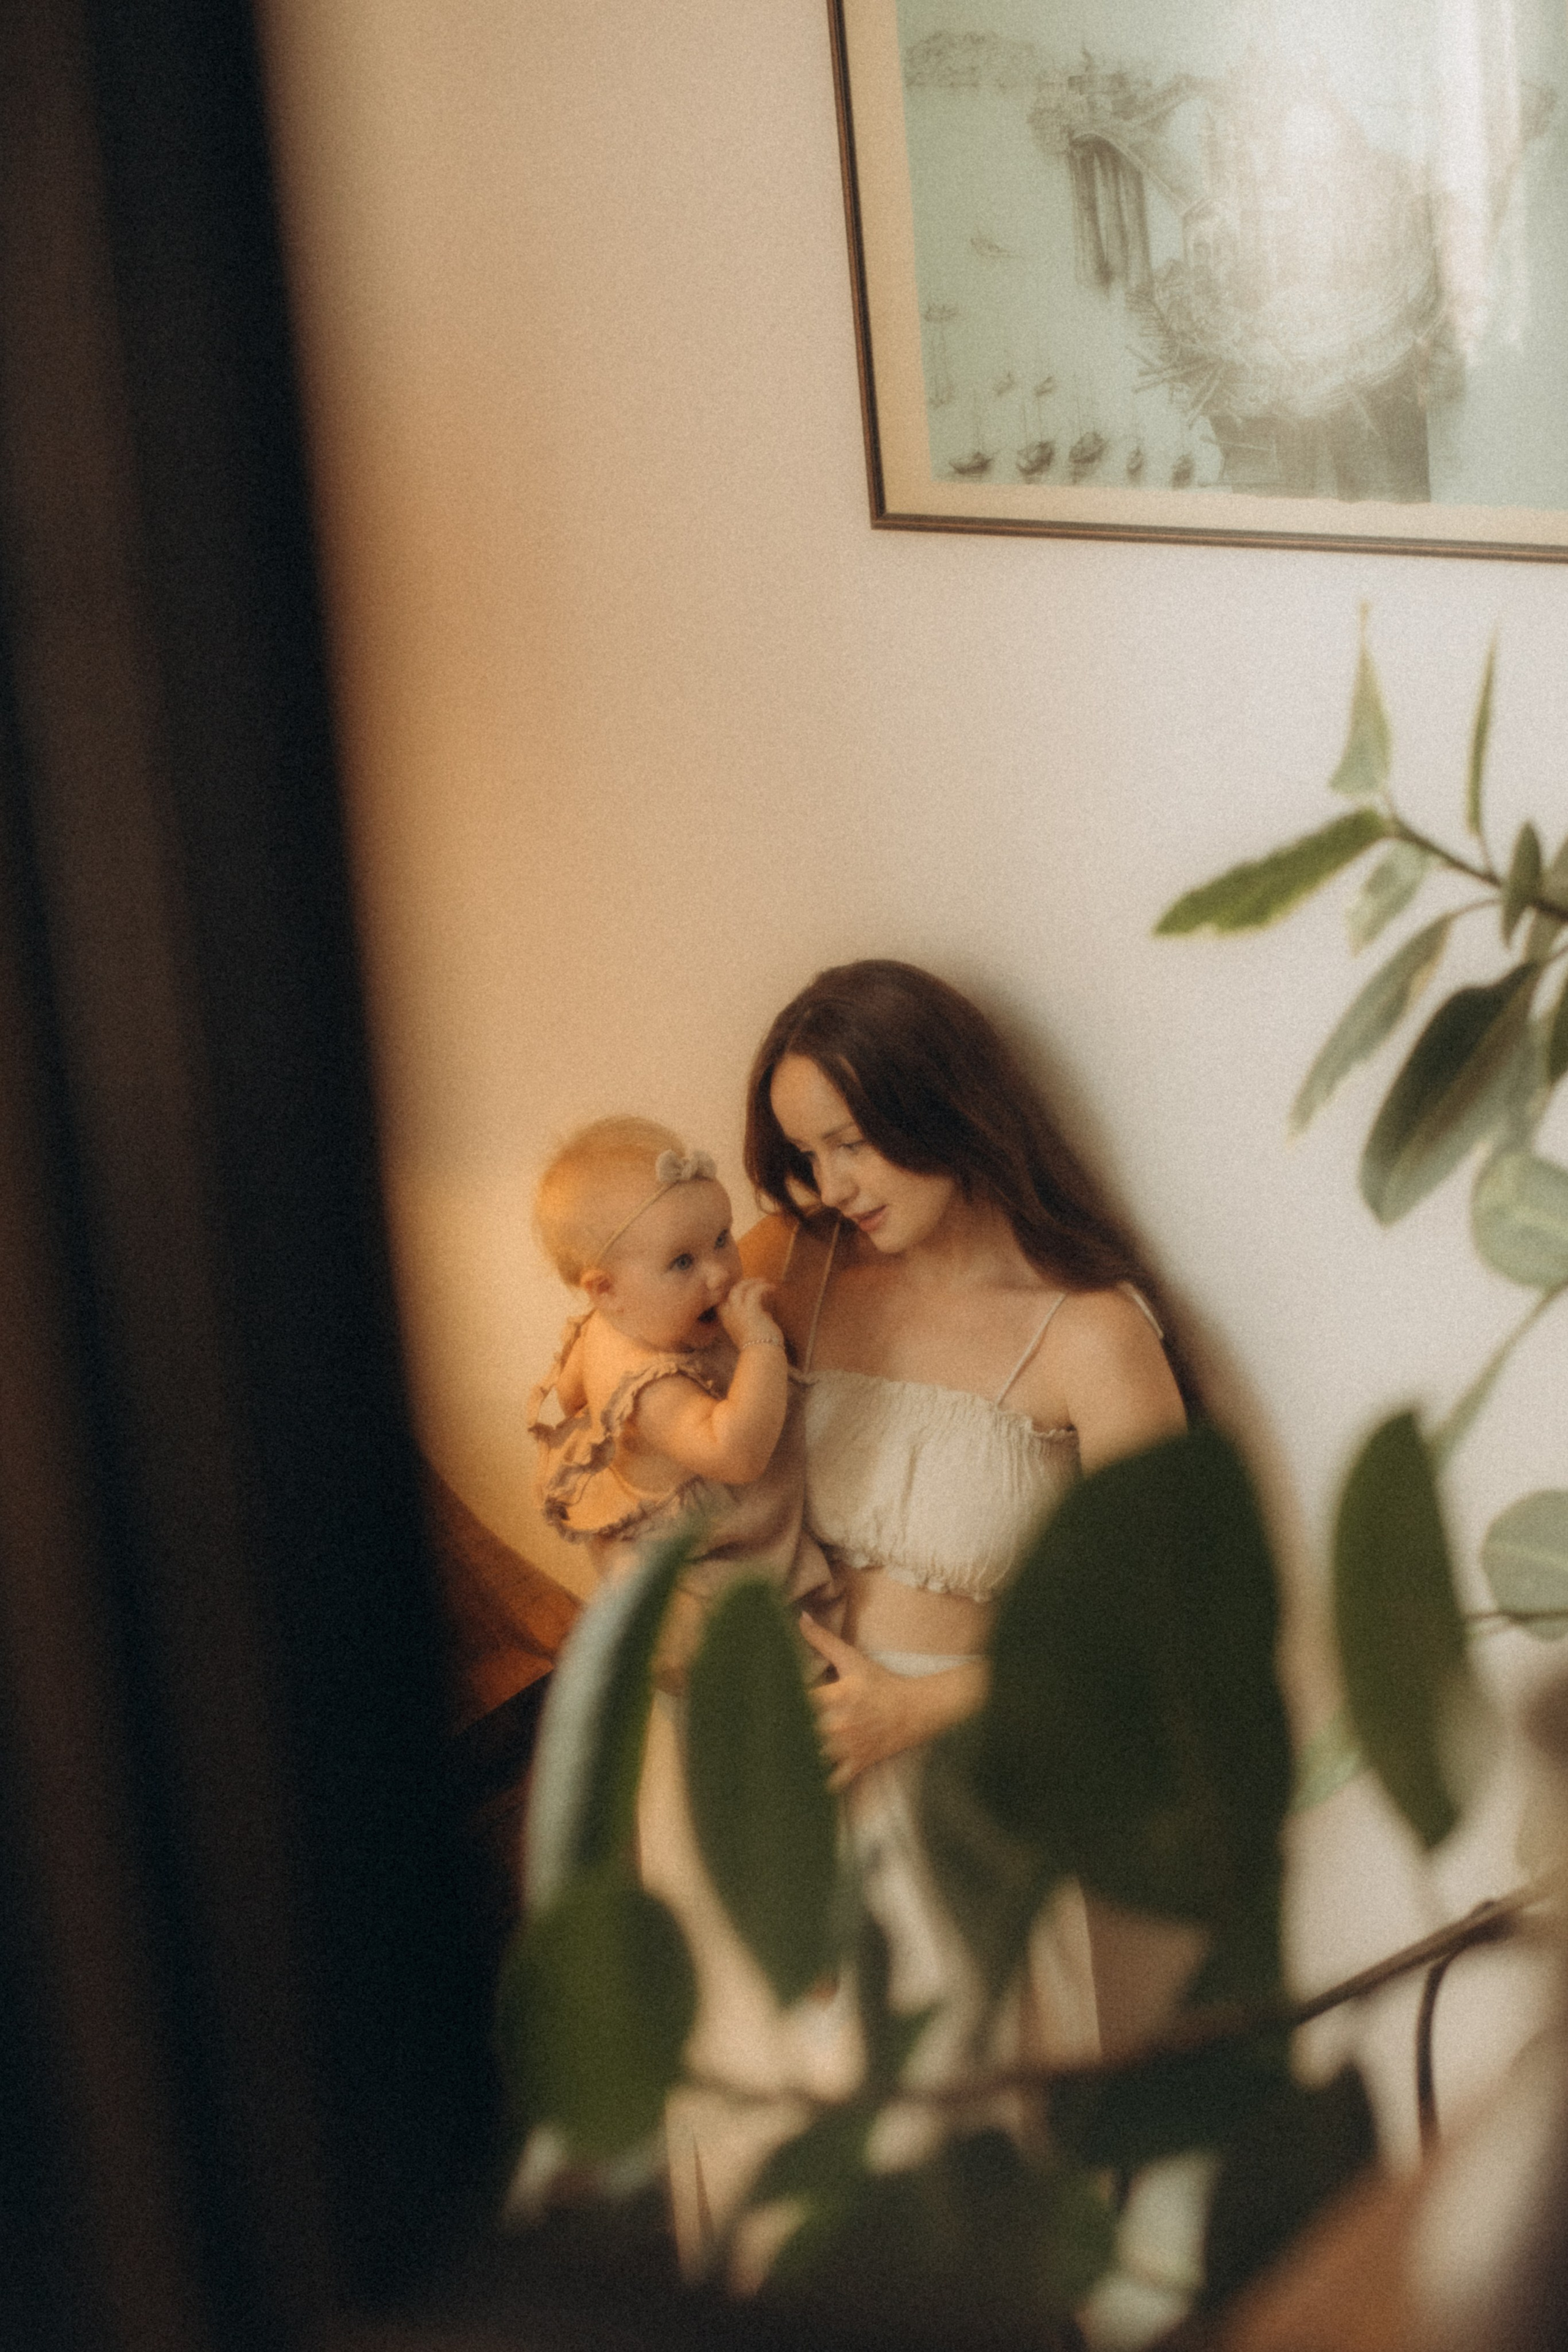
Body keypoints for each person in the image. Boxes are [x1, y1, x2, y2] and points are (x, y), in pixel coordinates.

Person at [739, 962, 1199, 2094]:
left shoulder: (1088, 1336)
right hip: (758, 1779)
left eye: (851, 1141)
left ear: (937, 1100)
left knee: (937, 2162)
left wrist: (915, 1708)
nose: (830, 1182)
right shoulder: (788, 1268)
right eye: (805, 1154)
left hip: (946, 1796)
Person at [527, 1116, 836, 1656]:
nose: (719, 1273)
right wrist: (763, 1343)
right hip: (710, 1581)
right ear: (607, 1291)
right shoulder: (654, 1390)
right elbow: (738, 1456)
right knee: (783, 1663)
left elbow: (573, 1397)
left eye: (721, 1238)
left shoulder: (609, 1324)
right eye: (683, 1261)